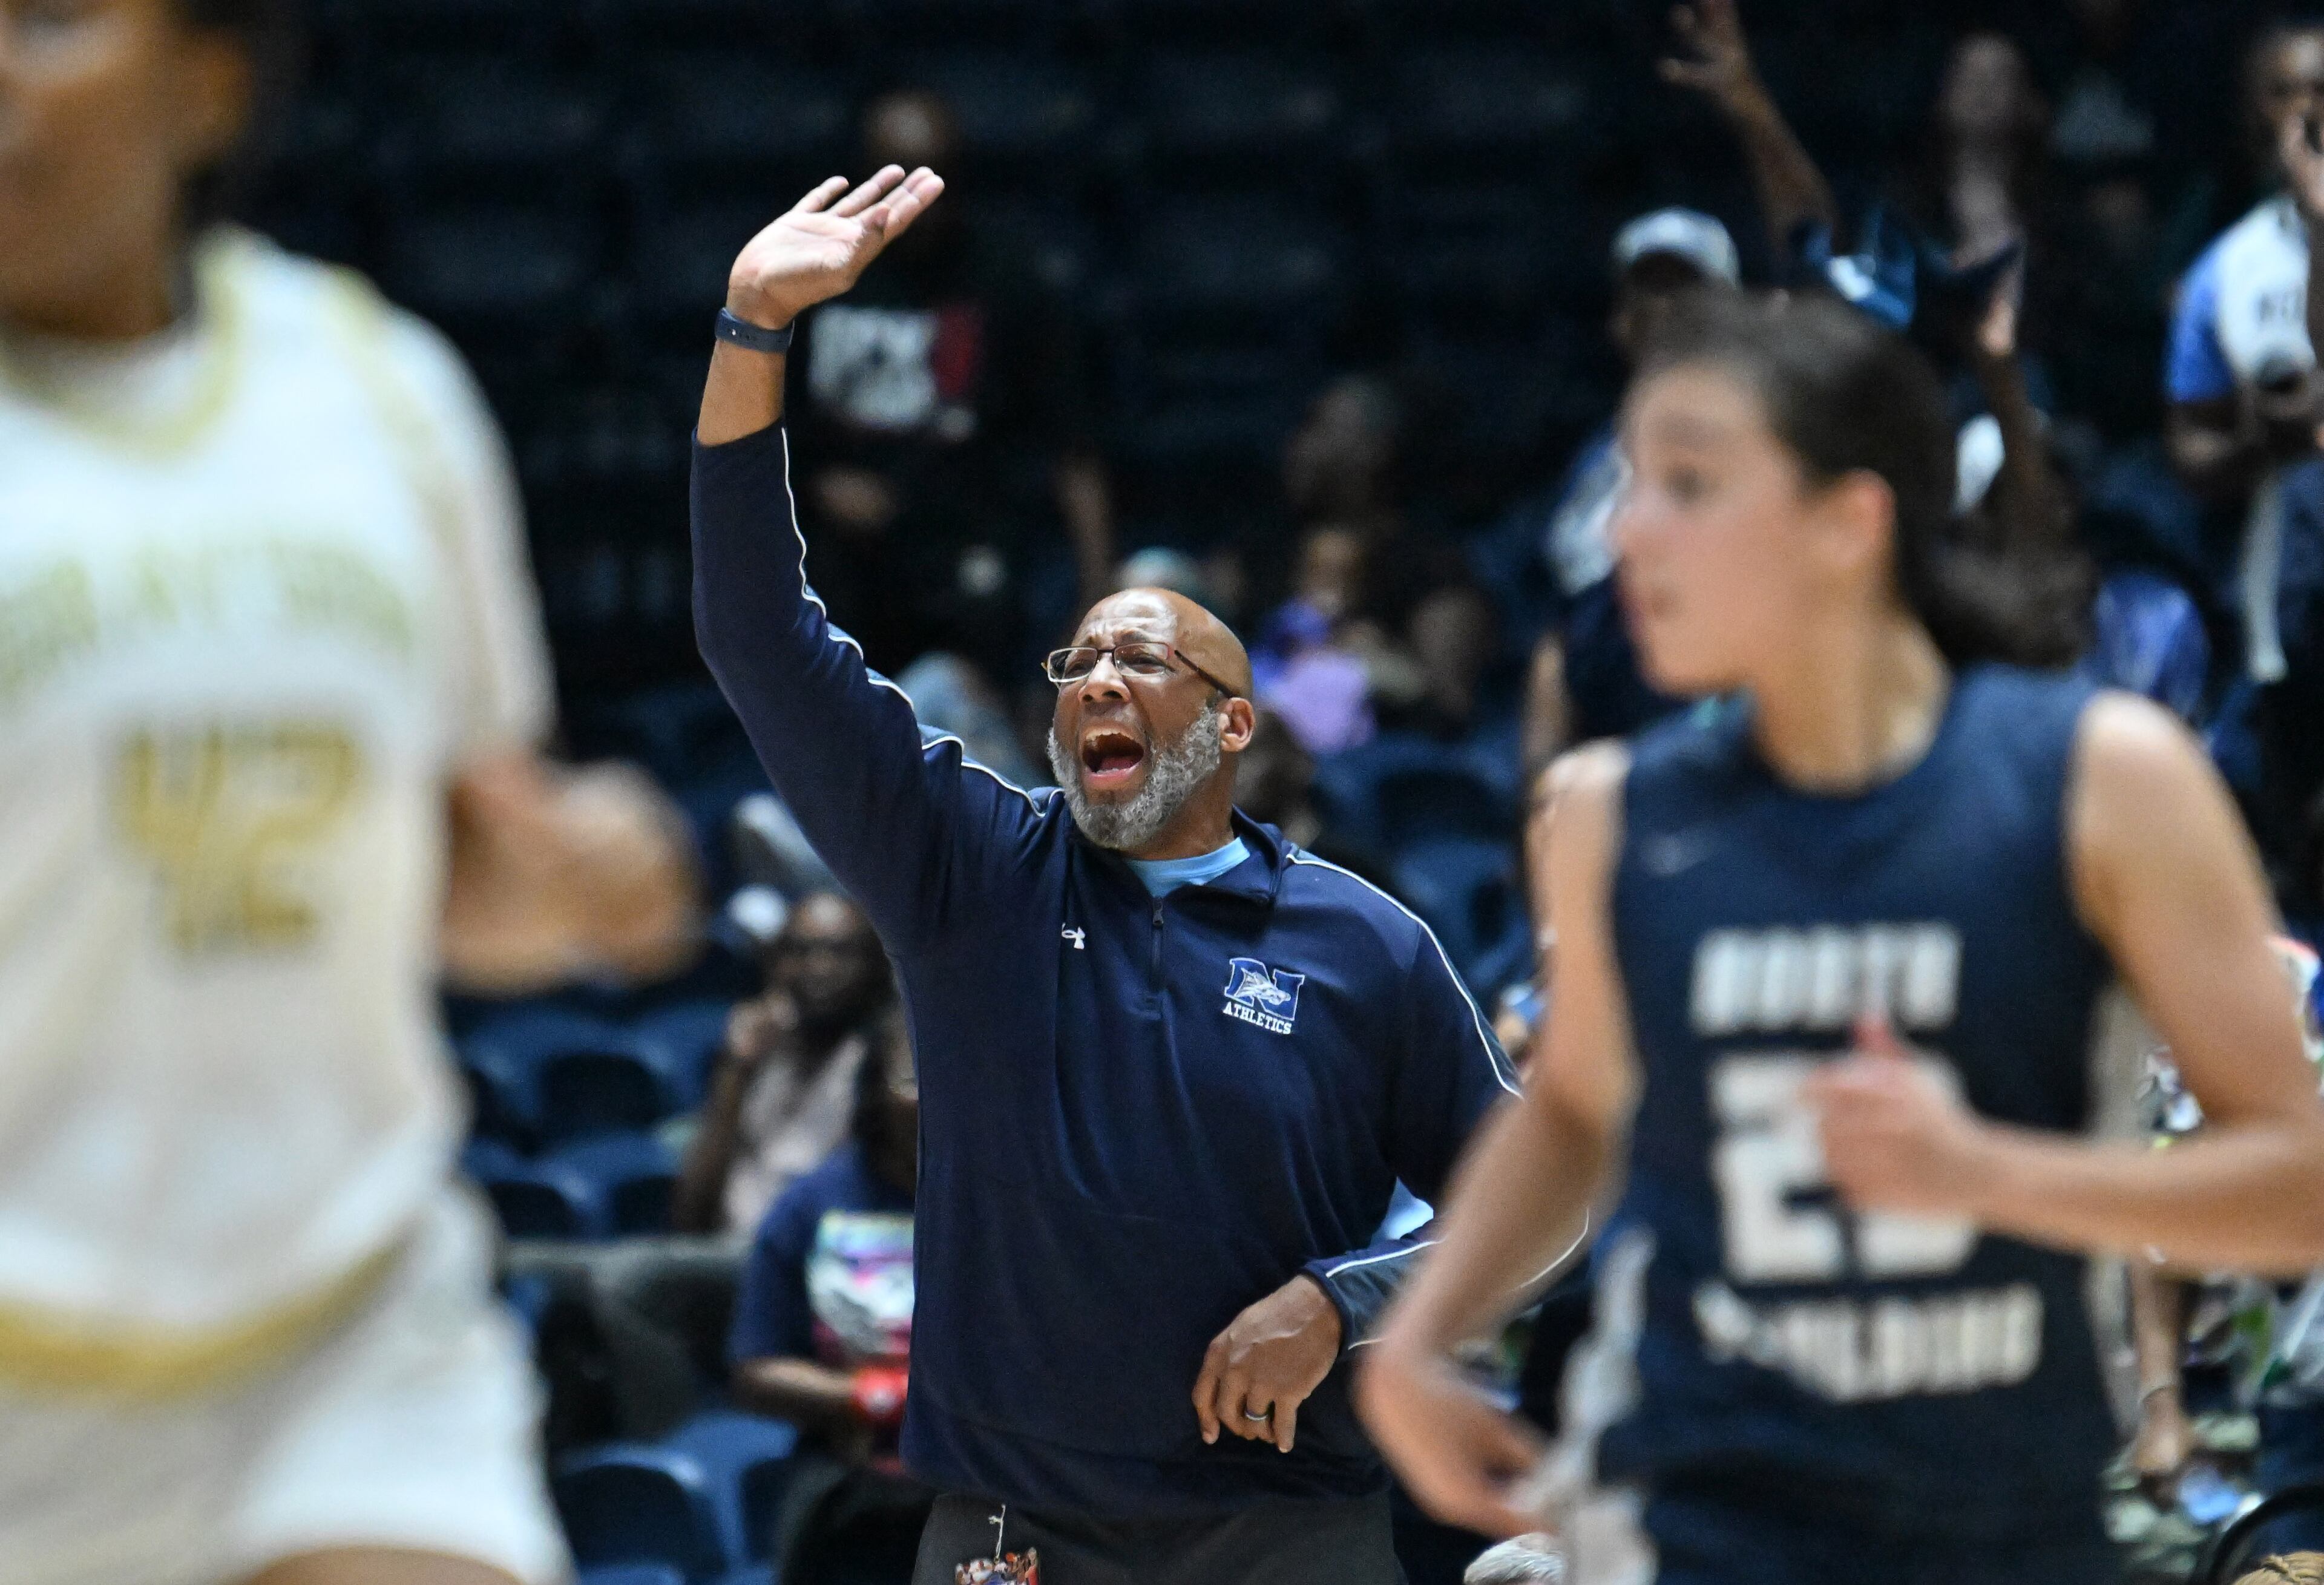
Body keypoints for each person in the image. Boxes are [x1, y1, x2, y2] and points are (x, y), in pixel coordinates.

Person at [1357, 290, 2324, 1584]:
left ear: (1849, 522)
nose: (1626, 529)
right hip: (1698, 1525)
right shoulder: (1611, 816)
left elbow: (2296, 1186)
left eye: (1689, 483)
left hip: (2002, 1531)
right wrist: (1425, 1336)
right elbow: (1571, 1105)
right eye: (1633, 482)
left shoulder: (2101, 781)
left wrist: (1991, 1174)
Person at [694, 166, 1518, 1585]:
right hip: (1016, 1534)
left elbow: (1530, 1209)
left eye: (1140, 659)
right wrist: (751, 330)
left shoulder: (1360, 943)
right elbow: (756, 635)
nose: (1092, 684)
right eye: (1074, 661)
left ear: (1233, 725)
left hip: (1289, 1528)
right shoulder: (970, 867)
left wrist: (1341, 1303)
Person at [0, 1, 701, 1583]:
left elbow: (465, 876)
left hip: (344, 1330)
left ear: (207, 83)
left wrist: (586, 879)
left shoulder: (379, 393)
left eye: (47, 17)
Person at [1514, 207, 1741, 778]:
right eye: (1645, 291)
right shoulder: (1593, 466)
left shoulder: (1764, 445)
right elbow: (1561, 636)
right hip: (1604, 746)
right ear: (1619, 320)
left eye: (1683, 290)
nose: (1661, 310)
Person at [730, 1006, 930, 1585]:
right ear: (873, 1087)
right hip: (850, 1487)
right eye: (914, 1076)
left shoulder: (1017, 1207)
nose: (938, 1092)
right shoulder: (811, 1205)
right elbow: (756, 1369)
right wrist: (883, 1397)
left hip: (985, 1492)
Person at [674, 891, 893, 1236]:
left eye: (841, 952)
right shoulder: (757, 1057)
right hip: (723, 1262)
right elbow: (689, 1215)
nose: (819, 968)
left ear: (877, 967)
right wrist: (736, 1071)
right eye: (800, 951)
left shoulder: (883, 1069)